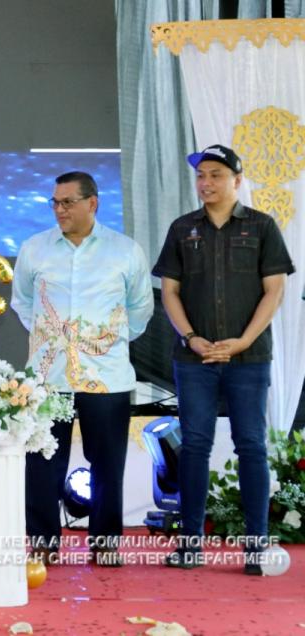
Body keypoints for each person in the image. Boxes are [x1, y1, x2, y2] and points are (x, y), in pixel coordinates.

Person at [152, 145, 294, 574]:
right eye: (201, 176)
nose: (206, 183)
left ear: (237, 179)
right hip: (193, 358)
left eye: (215, 175)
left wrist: (243, 341)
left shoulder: (261, 226)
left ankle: (256, 548)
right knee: (194, 445)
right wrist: (191, 337)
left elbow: (274, 290)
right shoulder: (183, 228)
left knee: (251, 445)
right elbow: (170, 292)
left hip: (249, 358)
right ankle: (190, 545)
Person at [11, 171, 154, 567]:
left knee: (107, 464)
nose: (59, 210)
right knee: (42, 462)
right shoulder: (35, 249)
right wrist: (56, 341)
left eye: (68, 202)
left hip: (106, 377)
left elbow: (140, 310)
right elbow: (23, 303)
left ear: (92, 203)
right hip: (48, 377)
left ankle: (105, 542)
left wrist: (101, 344)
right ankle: (43, 542)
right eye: (55, 203)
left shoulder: (125, 251)